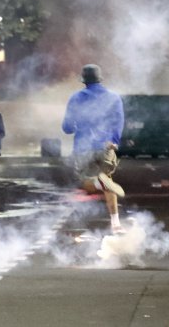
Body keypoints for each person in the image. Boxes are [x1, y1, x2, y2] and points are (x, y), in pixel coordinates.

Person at [62, 64, 126, 234]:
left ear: (84, 80)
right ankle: (115, 223)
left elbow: (67, 127)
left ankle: (97, 183)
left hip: (84, 147)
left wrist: (76, 125)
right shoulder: (114, 97)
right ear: (100, 78)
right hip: (106, 146)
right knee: (108, 181)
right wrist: (114, 140)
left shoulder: (76, 98)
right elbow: (118, 122)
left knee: (85, 182)